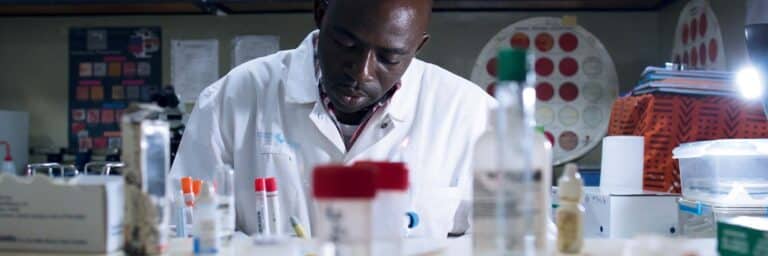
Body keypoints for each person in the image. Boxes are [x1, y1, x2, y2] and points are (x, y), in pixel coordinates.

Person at [170, 0, 495, 238]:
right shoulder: (232, 99)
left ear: (417, 47)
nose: (361, 71)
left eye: (389, 57)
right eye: (347, 44)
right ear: (321, 13)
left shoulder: (473, 115)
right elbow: (180, 229)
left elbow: (517, 242)